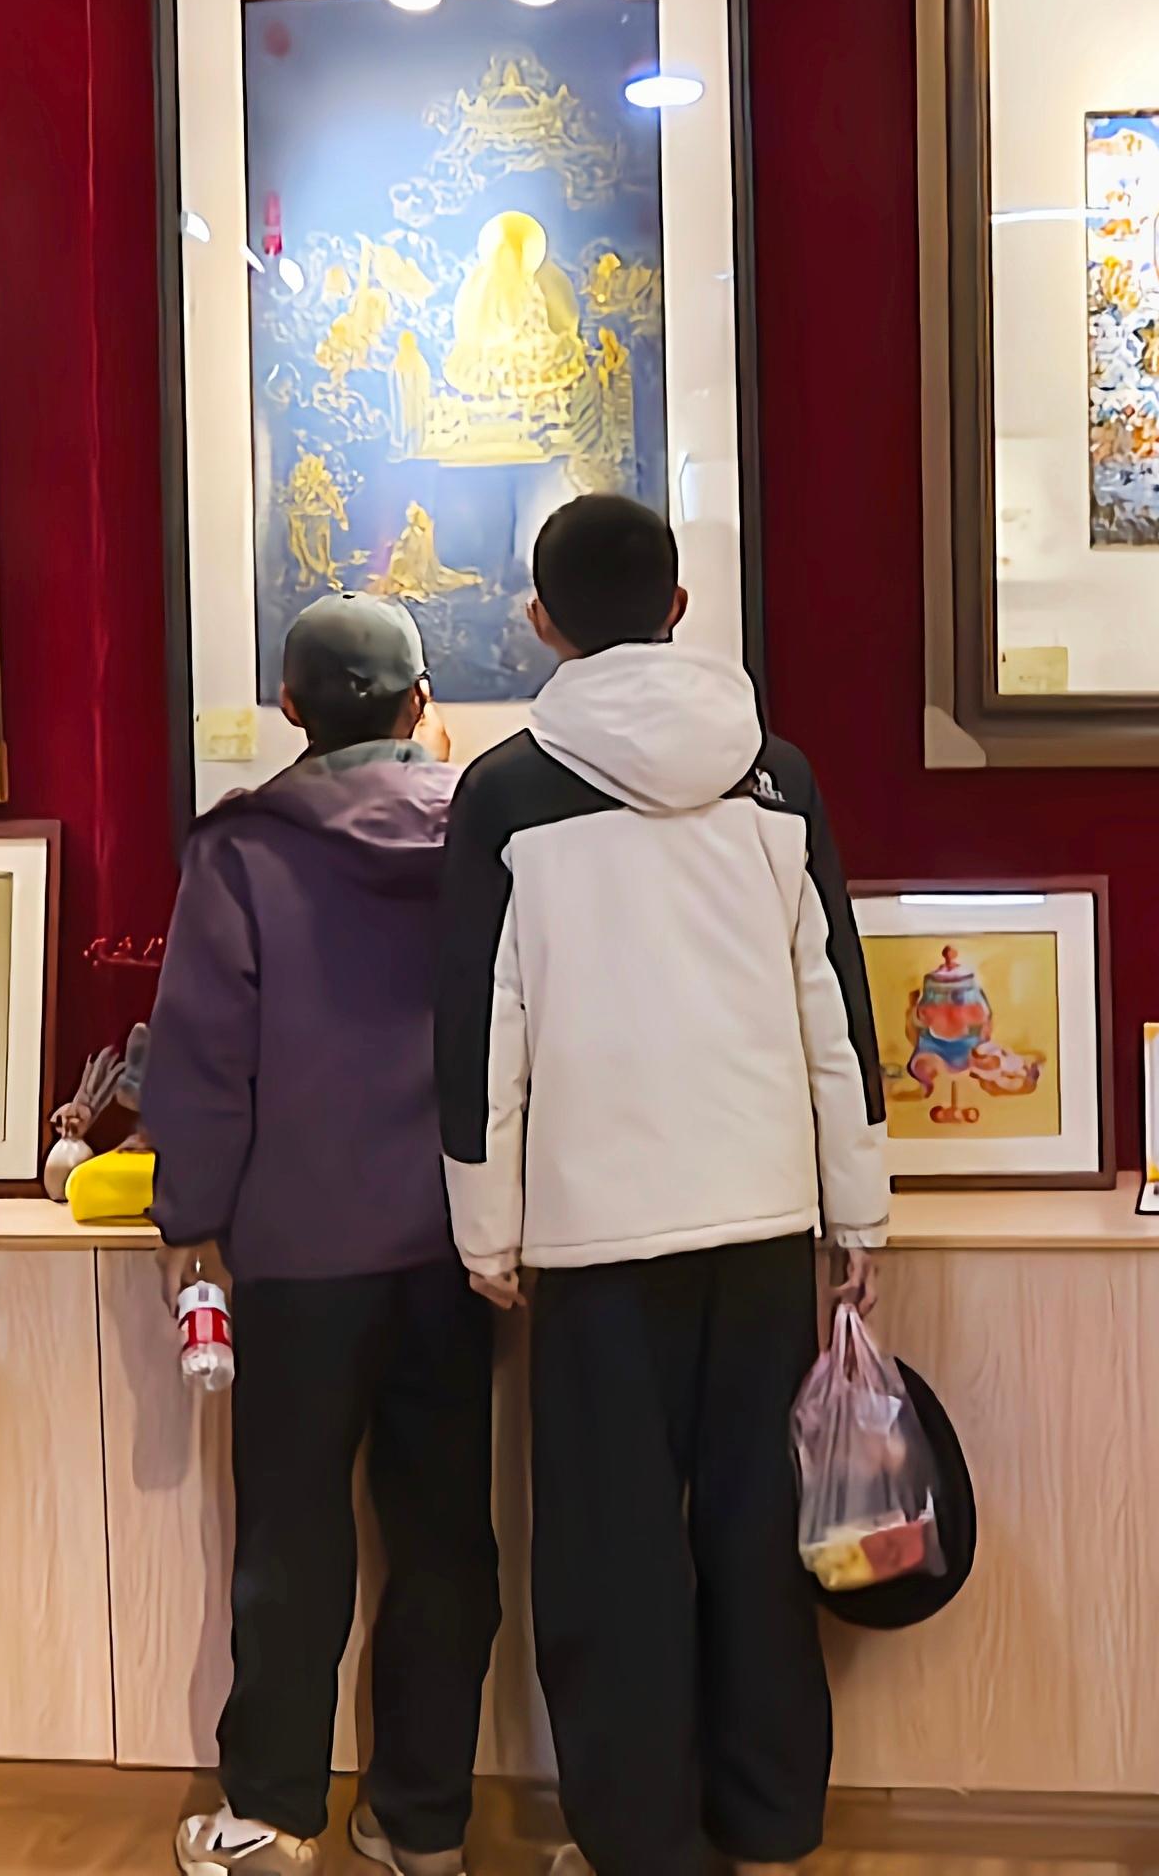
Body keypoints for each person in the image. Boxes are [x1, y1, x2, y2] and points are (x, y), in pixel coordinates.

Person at [434, 495, 889, 1876]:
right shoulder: (776, 775)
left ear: (540, 624)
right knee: (763, 1530)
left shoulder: (505, 793)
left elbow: (482, 1030)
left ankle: (639, 1840)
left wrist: (486, 1227)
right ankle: (771, 1820)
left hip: (593, 1238)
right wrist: (858, 1209)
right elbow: (834, 1006)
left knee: (610, 1551)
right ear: (682, 608)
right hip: (764, 1218)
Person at [150, 595, 497, 1876]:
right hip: (458, 1244)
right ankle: (423, 1824)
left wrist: (191, 1220)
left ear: (289, 707)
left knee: (291, 1539)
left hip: (297, 1252)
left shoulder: (242, 850)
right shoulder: (486, 831)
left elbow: (203, 1057)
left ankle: (270, 1815)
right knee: (445, 1537)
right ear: (422, 701)